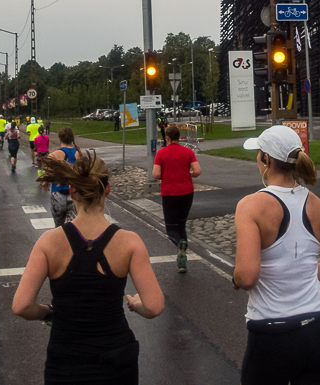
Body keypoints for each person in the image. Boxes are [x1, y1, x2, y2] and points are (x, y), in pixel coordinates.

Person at [12, 150, 164, 385]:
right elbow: (154, 307)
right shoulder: (130, 242)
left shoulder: (49, 242)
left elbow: (21, 306)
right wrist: (136, 304)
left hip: (66, 361)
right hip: (116, 360)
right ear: (108, 189)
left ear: (72, 192)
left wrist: (48, 311)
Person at [232, 125, 320, 385]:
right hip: (319, 328)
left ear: (266, 160)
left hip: (272, 332)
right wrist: (303, 270)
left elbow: (247, 277)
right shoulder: (318, 206)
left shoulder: (251, 206)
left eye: (258, 154)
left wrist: (237, 278)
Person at [152, 125, 201, 273]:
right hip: (186, 192)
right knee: (181, 224)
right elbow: (197, 170)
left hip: (169, 194)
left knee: (171, 228)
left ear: (166, 138)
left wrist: (166, 174)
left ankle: (180, 244)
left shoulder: (161, 153)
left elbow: (155, 174)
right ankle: (182, 262)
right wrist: (188, 174)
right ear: (179, 137)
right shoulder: (188, 152)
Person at [46, 127, 80, 226]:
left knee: (58, 227)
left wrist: (45, 183)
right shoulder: (79, 155)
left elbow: (48, 175)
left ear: (59, 139)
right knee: (72, 228)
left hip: (58, 194)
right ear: (72, 139)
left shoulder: (53, 155)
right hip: (73, 194)